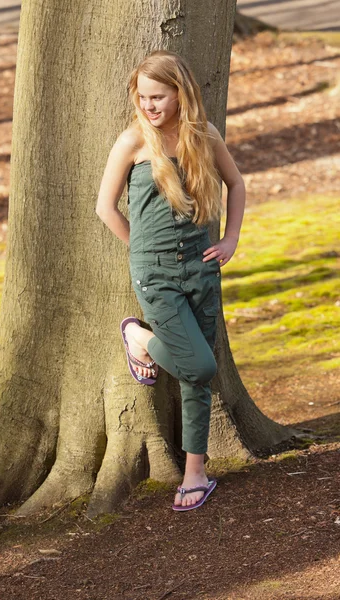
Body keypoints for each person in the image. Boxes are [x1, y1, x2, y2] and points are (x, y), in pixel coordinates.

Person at [96, 50, 245, 511]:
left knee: (196, 375)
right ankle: (138, 336)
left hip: (202, 269)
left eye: (158, 96)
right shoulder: (131, 143)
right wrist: (142, 252)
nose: (149, 106)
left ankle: (195, 473)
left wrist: (230, 239)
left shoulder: (204, 135)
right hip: (155, 276)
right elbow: (105, 208)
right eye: (142, 97)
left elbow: (236, 184)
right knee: (200, 365)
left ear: (180, 93)